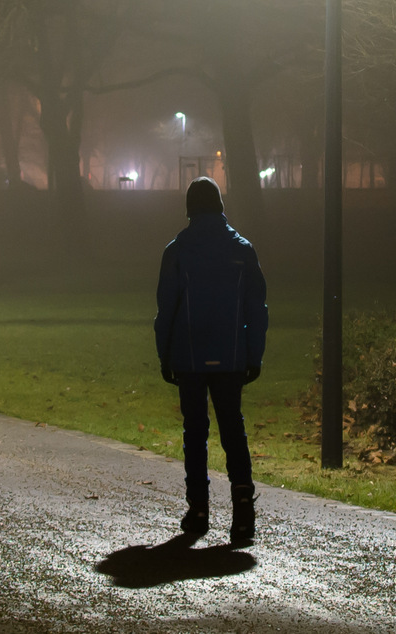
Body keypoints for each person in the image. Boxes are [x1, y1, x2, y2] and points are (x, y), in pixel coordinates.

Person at [154, 176, 268, 542]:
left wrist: (165, 354)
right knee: (233, 428)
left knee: (195, 431)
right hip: (230, 354)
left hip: (189, 355)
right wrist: (253, 353)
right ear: (220, 205)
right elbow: (256, 307)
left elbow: (166, 309)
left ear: (189, 208)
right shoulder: (242, 250)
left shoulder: (177, 251)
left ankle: (199, 508)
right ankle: (243, 510)